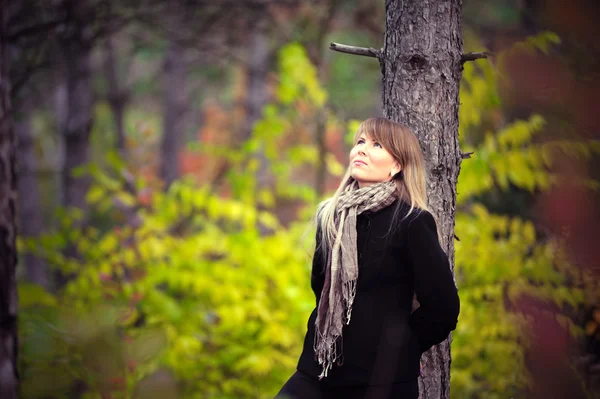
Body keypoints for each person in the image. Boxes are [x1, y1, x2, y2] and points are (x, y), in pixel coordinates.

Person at [275, 117, 460, 399]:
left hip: (380, 382)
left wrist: (403, 349)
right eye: (360, 142)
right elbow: (320, 289)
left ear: (396, 166)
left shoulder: (411, 222)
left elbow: (443, 308)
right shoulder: (331, 218)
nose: (361, 149)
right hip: (317, 373)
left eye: (376, 145)